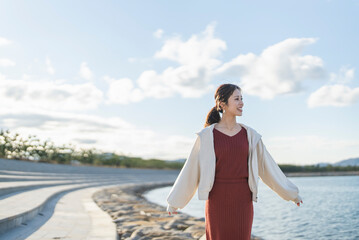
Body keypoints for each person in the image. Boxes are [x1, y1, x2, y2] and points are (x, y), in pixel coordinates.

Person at [166, 83, 303, 240]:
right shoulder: (206, 136)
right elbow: (191, 170)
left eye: (242, 99)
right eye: (237, 99)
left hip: (243, 201)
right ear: (222, 104)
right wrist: (174, 201)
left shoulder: (251, 136)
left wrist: (292, 194)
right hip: (216, 200)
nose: (242, 103)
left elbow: (269, 168)